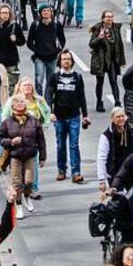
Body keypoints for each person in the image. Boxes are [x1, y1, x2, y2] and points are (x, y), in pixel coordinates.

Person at [0, 96, 45, 218]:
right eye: (16, 102)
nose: (19, 104)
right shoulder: (7, 122)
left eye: (22, 102)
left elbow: (41, 140)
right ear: (12, 106)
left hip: (30, 155)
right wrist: (11, 141)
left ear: (26, 105)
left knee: (29, 182)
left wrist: (42, 157)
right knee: (16, 183)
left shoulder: (34, 121)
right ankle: (18, 206)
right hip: (15, 156)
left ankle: (27, 197)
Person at [48, 50, 89, 183]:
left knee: (74, 145)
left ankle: (76, 172)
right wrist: (51, 112)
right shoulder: (54, 77)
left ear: (72, 62)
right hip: (59, 117)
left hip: (74, 116)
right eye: (64, 59)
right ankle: (61, 170)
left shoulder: (77, 77)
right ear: (60, 61)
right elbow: (49, 96)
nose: (66, 61)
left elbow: (81, 97)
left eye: (68, 59)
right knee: (60, 145)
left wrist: (85, 115)